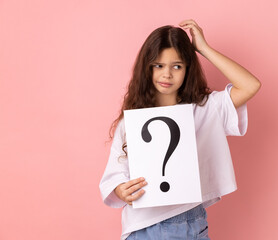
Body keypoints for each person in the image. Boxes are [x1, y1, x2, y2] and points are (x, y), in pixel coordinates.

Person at [99, 19, 261, 239]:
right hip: (147, 227)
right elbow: (115, 175)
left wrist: (203, 49)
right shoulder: (130, 122)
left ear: (187, 69)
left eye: (177, 66)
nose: (167, 74)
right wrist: (122, 191)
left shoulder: (205, 108)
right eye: (159, 65)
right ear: (147, 68)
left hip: (194, 222)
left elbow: (250, 85)